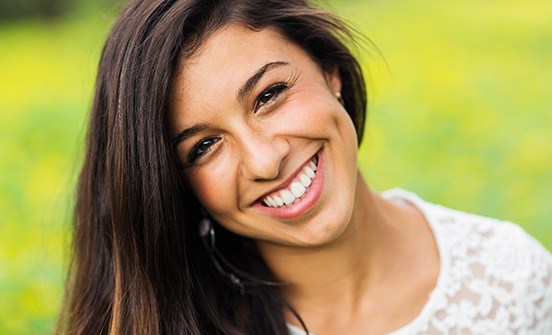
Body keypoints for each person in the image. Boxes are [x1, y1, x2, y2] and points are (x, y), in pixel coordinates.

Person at [56, 0, 552, 334]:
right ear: (175, 187)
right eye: (205, 146)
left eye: (269, 95)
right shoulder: (170, 321)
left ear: (329, 69)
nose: (265, 159)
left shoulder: (512, 279)